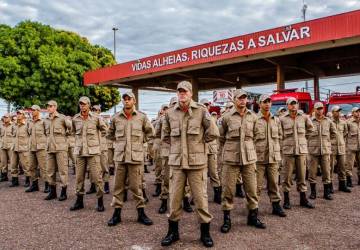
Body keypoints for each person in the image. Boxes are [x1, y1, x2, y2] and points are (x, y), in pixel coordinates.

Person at [161, 81, 218, 248]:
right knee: (174, 199)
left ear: (191, 93)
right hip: (177, 163)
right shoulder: (170, 113)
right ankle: (173, 232)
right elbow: (165, 135)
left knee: (201, 199)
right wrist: (178, 148)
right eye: (179, 91)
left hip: (196, 163)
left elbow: (213, 132)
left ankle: (205, 233)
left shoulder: (201, 110)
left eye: (185, 91)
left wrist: (200, 143)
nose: (182, 94)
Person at [219, 89, 266, 234]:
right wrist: (228, 150)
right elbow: (220, 137)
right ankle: (227, 219)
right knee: (228, 190)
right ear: (234, 100)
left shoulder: (253, 116)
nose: (242, 100)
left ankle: (253, 217)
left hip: (249, 158)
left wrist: (248, 146)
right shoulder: (226, 117)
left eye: (244, 98)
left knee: (252, 189)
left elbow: (258, 135)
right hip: (231, 158)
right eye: (240, 98)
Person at [107, 91, 154, 227]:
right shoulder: (116, 118)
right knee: (118, 187)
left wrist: (140, 142)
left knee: (136, 187)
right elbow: (110, 134)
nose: (126, 101)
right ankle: (116, 215)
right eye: (124, 99)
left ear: (134, 101)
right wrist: (120, 143)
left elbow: (151, 133)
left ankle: (141, 214)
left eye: (129, 99)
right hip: (121, 158)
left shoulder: (142, 117)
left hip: (135, 157)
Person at [70, 97, 107, 212]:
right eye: (80, 104)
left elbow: (105, 130)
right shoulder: (75, 118)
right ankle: (79, 201)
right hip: (80, 152)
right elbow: (73, 131)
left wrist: (98, 143)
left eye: (84, 104)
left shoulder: (96, 118)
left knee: (97, 177)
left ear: (89, 105)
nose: (82, 106)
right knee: (79, 178)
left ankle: (100, 201)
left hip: (93, 152)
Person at [279, 97, 314, 209]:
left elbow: (310, 129)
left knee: (302, 175)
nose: (293, 106)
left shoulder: (304, 117)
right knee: (287, 176)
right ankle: (287, 200)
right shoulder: (282, 119)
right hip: (288, 151)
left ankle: (303, 199)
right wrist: (284, 144)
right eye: (291, 104)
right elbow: (279, 134)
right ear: (287, 106)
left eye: (295, 104)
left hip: (301, 151)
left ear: (298, 105)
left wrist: (303, 140)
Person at [254, 94, 286, 217]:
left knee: (274, 184)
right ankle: (254, 208)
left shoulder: (276, 119)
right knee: (256, 186)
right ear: (259, 104)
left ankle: (276, 206)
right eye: (264, 102)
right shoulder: (254, 119)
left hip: (273, 158)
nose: (267, 104)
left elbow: (280, 137)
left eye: (269, 101)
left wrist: (279, 153)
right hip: (259, 158)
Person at [307, 102, 337, 200]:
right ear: (314, 110)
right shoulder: (309, 121)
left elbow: (334, 133)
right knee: (312, 173)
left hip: (325, 151)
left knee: (326, 172)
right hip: (313, 151)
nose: (320, 110)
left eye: (321, 108)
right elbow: (305, 134)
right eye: (318, 108)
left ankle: (326, 193)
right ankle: (313, 193)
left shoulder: (328, 121)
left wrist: (328, 142)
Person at [44, 100, 72, 201]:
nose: (49, 108)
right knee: (50, 170)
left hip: (61, 148)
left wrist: (66, 137)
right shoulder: (46, 119)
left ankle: (63, 192)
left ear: (55, 107)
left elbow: (71, 128)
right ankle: (53, 192)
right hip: (50, 148)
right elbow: (45, 133)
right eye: (48, 106)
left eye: (51, 106)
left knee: (62, 171)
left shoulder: (62, 118)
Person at [200, 98, 222, 204]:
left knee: (214, 173)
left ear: (209, 106)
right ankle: (199, 197)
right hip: (201, 150)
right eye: (203, 104)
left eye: (207, 104)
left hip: (212, 149)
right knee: (201, 175)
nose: (205, 106)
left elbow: (217, 133)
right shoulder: (197, 117)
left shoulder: (213, 118)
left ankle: (217, 195)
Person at [26, 105, 49, 193]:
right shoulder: (29, 122)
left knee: (44, 168)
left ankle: (48, 185)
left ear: (38, 111)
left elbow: (47, 134)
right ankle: (34, 185)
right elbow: (29, 133)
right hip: (32, 147)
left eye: (33, 110)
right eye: (31, 110)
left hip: (41, 148)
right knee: (31, 167)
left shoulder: (43, 122)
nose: (32, 112)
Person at [330, 105, 351, 192]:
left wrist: (341, 141)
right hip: (332, 148)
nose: (339, 113)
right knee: (330, 168)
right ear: (332, 112)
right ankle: (329, 186)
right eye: (337, 111)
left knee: (342, 167)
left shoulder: (343, 122)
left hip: (341, 148)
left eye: (339, 111)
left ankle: (342, 186)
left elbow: (345, 133)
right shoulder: (329, 122)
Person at [9, 110, 31, 187]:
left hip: (24, 148)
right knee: (13, 165)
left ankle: (28, 180)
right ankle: (15, 181)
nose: (18, 115)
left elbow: (30, 135)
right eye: (17, 114)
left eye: (20, 114)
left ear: (23, 115)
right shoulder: (14, 125)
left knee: (26, 166)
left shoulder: (27, 124)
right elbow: (12, 134)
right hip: (14, 148)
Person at [345, 107, 360, 187]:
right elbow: (345, 134)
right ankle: (349, 181)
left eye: (359, 112)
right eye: (356, 112)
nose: (358, 113)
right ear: (353, 113)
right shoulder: (348, 122)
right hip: (351, 147)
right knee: (349, 165)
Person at [0, 113, 13, 182]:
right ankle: (4, 176)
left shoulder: (13, 126)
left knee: (13, 162)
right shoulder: (1, 126)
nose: (5, 118)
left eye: (6, 117)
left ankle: (14, 178)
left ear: (9, 118)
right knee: (3, 162)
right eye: (4, 117)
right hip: (2, 146)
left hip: (10, 147)